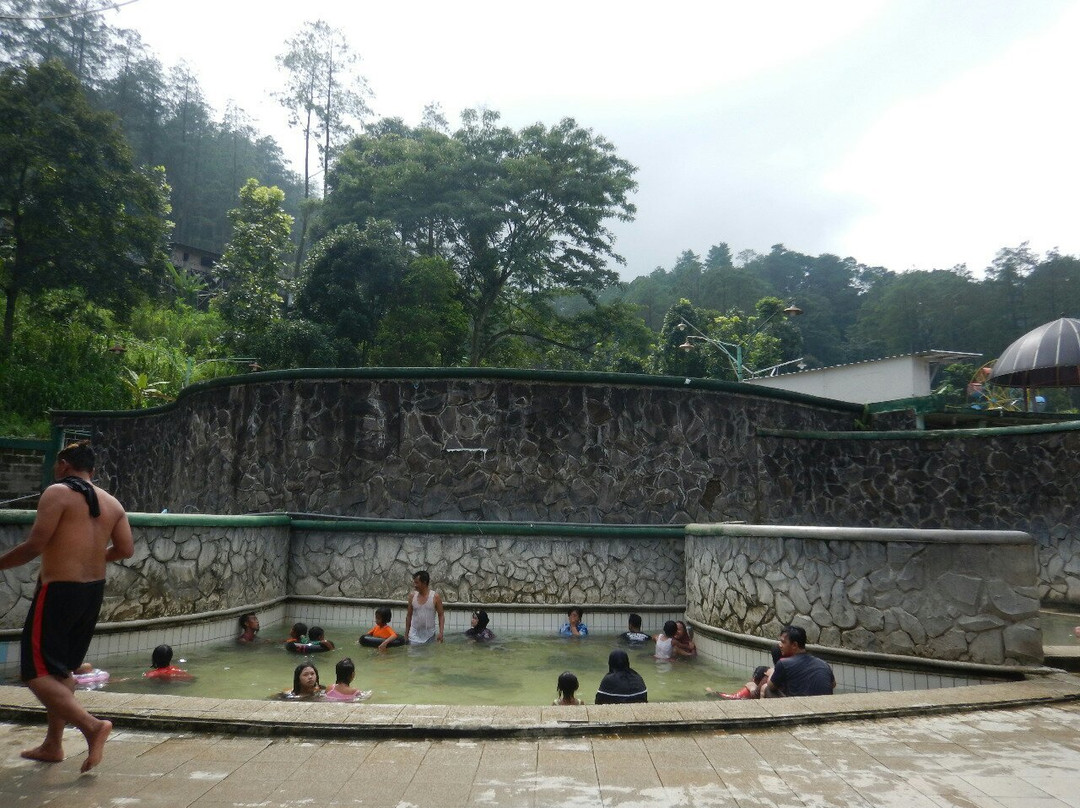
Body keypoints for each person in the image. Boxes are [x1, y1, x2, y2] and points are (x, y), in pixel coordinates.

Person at [0, 440, 133, 772]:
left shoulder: (57, 493)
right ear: (93, 470)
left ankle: (92, 726)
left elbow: (35, 545)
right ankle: (53, 745)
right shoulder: (112, 502)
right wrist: (90, 557)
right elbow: (125, 549)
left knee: (35, 673)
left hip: (59, 590)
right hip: (92, 593)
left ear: (63, 464)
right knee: (61, 671)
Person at [763, 625, 836, 698]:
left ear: (794, 645)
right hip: (826, 706)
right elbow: (833, 684)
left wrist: (772, 672)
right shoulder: (824, 664)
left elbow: (771, 686)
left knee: (766, 689)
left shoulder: (784, 664)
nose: (780, 645)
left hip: (801, 707)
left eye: (783, 642)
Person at [405, 570, 444, 644]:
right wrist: (406, 634)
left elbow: (441, 615)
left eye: (417, 582)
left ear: (424, 582)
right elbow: (409, 615)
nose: (415, 585)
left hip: (430, 635)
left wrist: (441, 632)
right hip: (414, 635)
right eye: (414, 582)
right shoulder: (412, 596)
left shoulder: (435, 597)